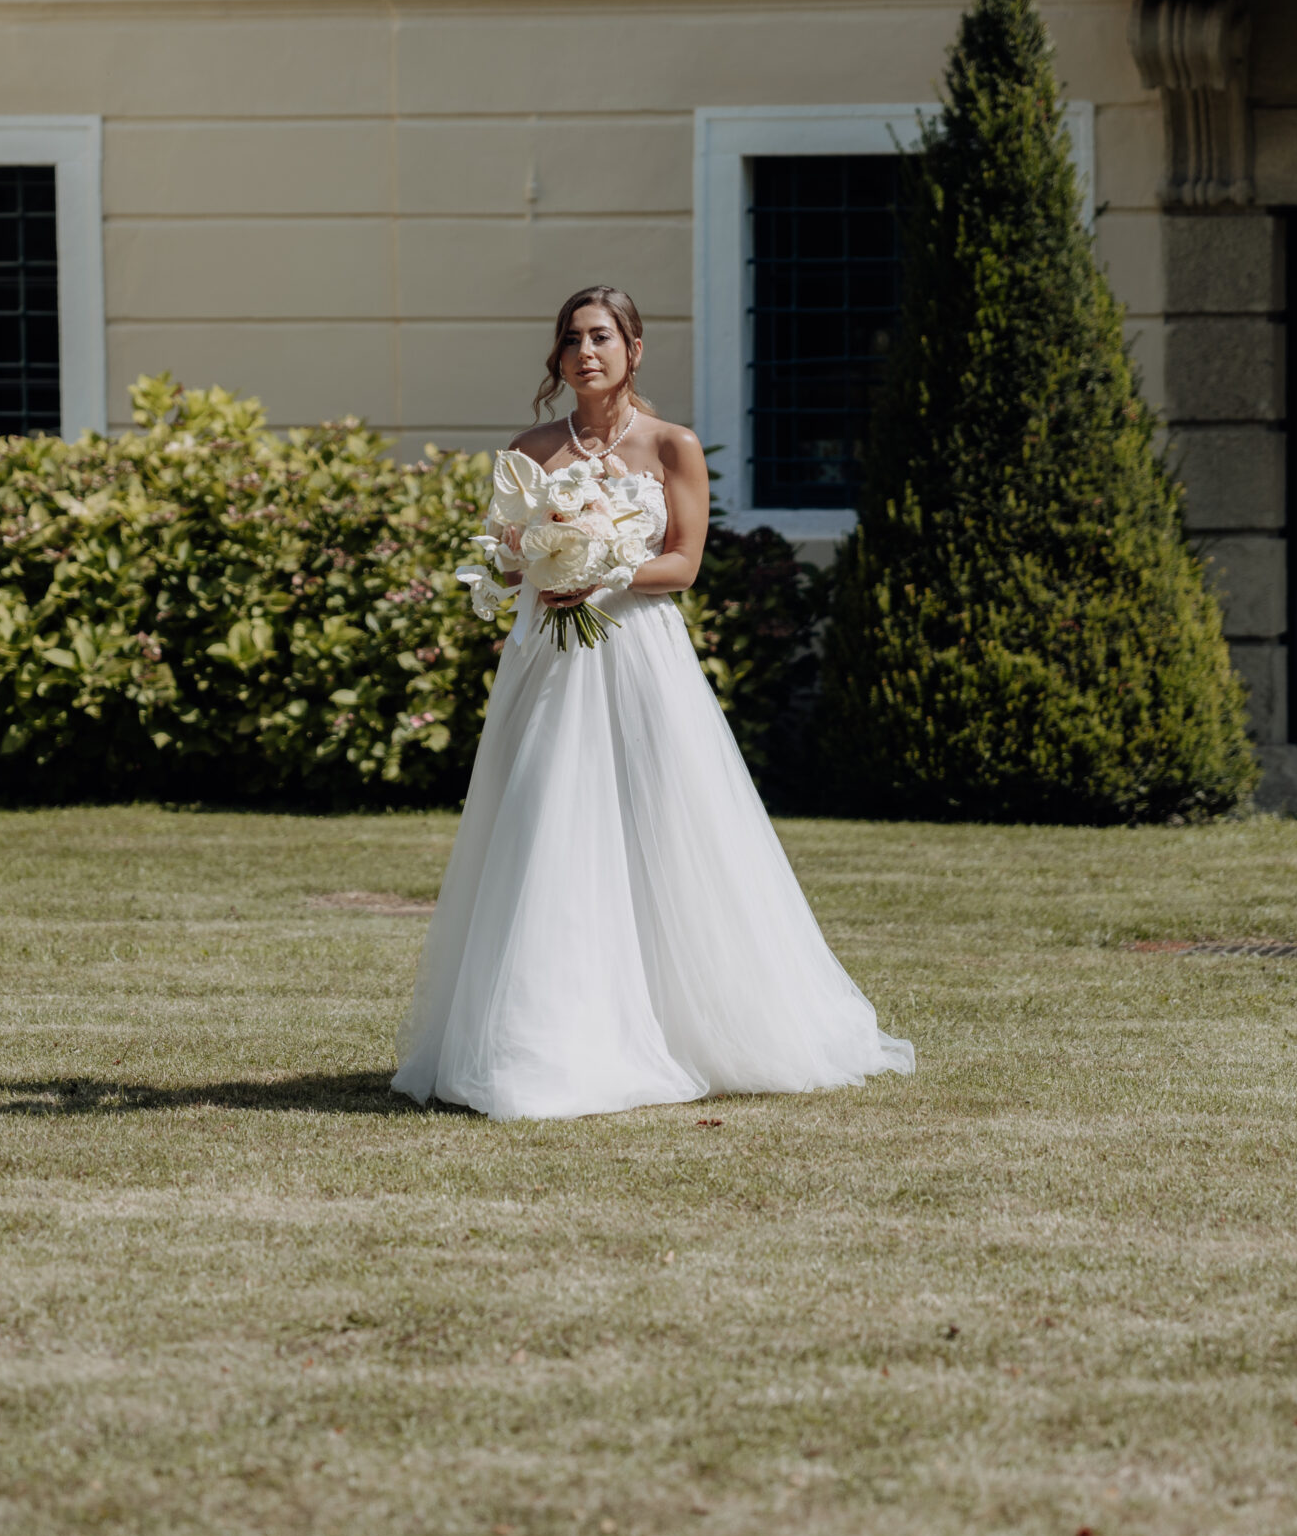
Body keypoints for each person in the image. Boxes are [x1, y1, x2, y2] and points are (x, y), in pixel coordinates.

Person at [391, 285, 914, 1121]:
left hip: (638, 656)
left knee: (666, 827)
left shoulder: (672, 445)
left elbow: (684, 562)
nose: (584, 352)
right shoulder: (529, 452)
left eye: (601, 337)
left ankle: (698, 1024)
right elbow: (507, 558)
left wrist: (603, 569)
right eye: (570, 340)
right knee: (542, 824)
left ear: (635, 349)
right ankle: (540, 1037)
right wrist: (538, 568)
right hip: (549, 668)